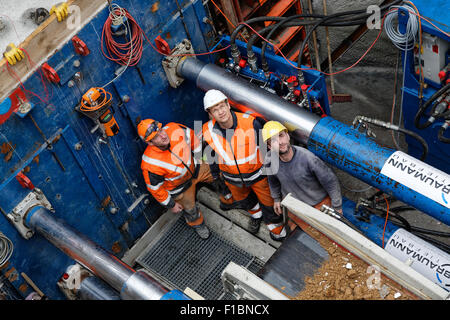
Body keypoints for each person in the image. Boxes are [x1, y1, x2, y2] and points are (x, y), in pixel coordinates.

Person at [201, 89, 288, 241]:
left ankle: (277, 231)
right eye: (215, 110)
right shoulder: (207, 131)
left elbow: (268, 150)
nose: (220, 112)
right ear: (210, 113)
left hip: (259, 176)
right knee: (246, 202)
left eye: (222, 106)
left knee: (270, 205)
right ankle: (257, 216)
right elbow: (212, 156)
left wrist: (274, 174)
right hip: (232, 180)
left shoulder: (250, 122)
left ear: (228, 104)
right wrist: (216, 177)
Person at [137, 118, 213, 239]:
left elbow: (193, 138)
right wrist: (171, 205)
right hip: (181, 188)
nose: (162, 136)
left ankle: (229, 195)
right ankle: (198, 225)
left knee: (218, 173)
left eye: (161, 130)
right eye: (156, 136)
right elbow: (155, 189)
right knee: (190, 210)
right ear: (150, 143)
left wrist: (199, 157)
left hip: (196, 168)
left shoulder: (174, 128)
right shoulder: (150, 163)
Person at [262, 120, 343, 215]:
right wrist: (276, 199)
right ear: (269, 146)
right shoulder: (270, 161)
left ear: (287, 136)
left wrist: (337, 207)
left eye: (281, 135)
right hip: (295, 206)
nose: (280, 142)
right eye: (273, 140)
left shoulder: (309, 159)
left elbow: (330, 181)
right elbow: (273, 181)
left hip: (318, 204)